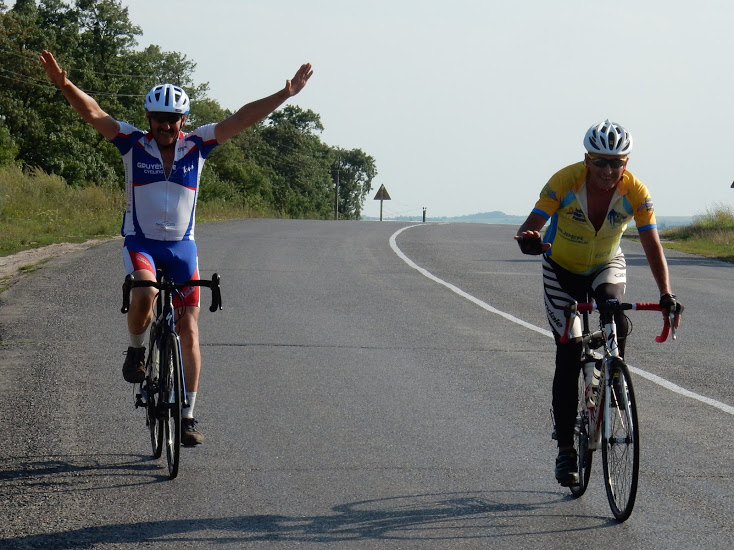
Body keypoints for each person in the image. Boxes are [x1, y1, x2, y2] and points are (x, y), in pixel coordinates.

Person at [40, 49, 313, 446]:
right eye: (158, 118)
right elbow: (94, 113)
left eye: (172, 119)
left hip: (183, 248)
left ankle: (187, 416)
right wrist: (64, 84)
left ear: (183, 120)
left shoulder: (198, 145)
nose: (166, 125)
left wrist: (284, 95)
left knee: (189, 329)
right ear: (149, 118)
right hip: (142, 244)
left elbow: (241, 119)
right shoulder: (132, 143)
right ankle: (137, 351)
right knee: (145, 292)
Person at [514, 119, 683, 486]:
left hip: (606, 264)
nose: (608, 170)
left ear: (626, 163)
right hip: (561, 269)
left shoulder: (635, 191)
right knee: (569, 351)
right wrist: (529, 241)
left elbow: (652, 244)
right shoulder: (565, 181)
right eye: (600, 162)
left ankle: (614, 378)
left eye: (616, 163)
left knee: (614, 313)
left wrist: (666, 294)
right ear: (587, 160)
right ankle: (565, 449)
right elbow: (531, 226)